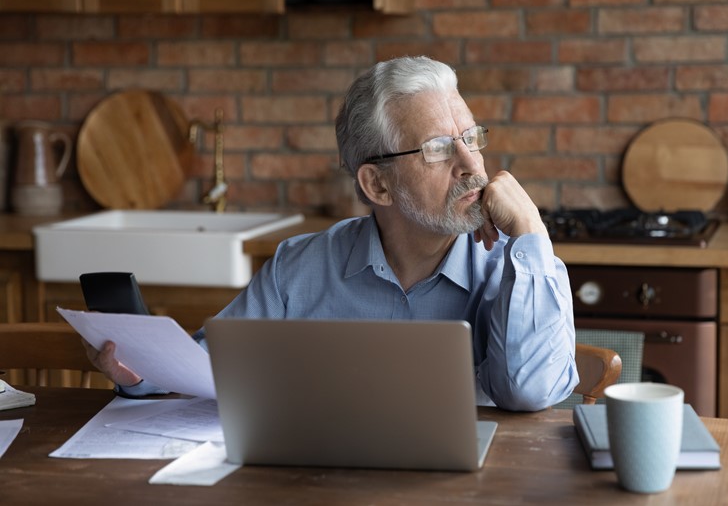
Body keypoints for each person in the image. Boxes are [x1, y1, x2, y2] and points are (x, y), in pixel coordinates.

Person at [86, 56, 578, 411]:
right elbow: (207, 368)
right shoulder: (299, 269)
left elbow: (528, 392)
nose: (472, 165)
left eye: (471, 138)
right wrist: (140, 371)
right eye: (437, 149)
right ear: (377, 184)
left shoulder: (514, 265)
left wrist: (532, 232)